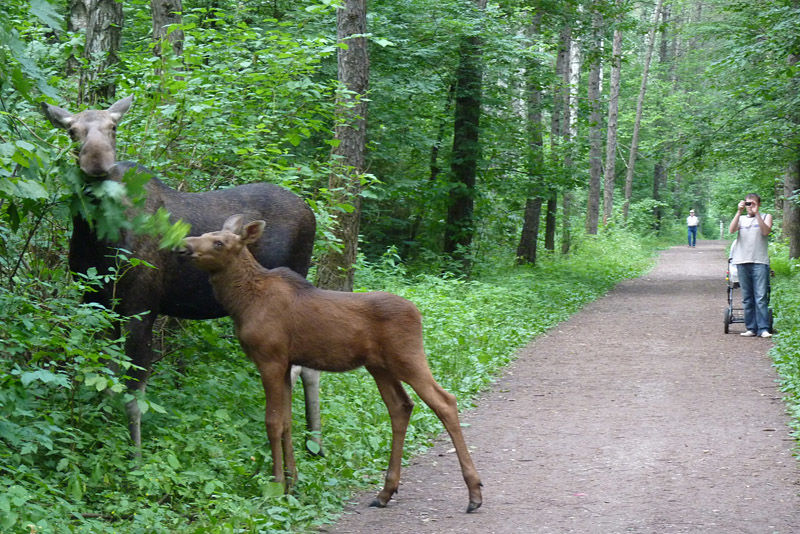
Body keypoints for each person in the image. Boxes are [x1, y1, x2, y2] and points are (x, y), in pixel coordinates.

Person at [729, 193, 772, 338]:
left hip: (759, 261)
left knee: (760, 296)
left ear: (759, 204)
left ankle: (763, 328)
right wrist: (739, 211)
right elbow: (731, 230)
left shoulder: (766, 216)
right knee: (747, 297)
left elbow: (765, 231)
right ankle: (751, 328)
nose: (750, 206)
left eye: (753, 203)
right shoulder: (740, 219)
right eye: (748, 203)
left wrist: (757, 214)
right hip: (742, 261)